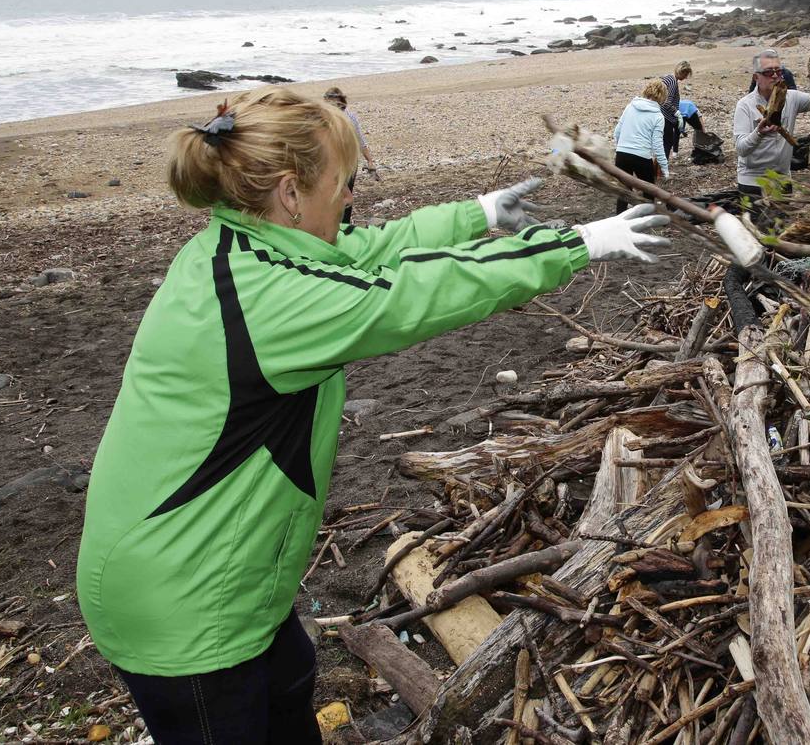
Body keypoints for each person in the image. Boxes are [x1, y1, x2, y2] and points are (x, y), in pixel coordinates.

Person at [75, 87, 670, 745]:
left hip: (223, 577)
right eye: (344, 183)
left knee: (293, 676)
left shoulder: (242, 246)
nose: (353, 197)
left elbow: (369, 248)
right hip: (183, 600)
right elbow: (407, 293)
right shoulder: (267, 298)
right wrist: (577, 242)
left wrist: (479, 212)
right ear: (291, 192)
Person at [733, 49, 810, 197]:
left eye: (778, 71)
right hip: (753, 181)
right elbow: (741, 149)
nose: (775, 76)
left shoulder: (791, 98)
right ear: (756, 77)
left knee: (784, 219)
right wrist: (758, 133)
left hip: (782, 178)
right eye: (768, 72)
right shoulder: (745, 105)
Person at [613, 79, 671, 213]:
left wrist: (622, 147)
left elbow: (617, 132)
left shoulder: (630, 106)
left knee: (624, 191)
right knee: (649, 190)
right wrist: (664, 167)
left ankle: (619, 219)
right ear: (662, 96)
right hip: (641, 157)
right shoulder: (658, 116)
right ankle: (648, 216)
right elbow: (657, 145)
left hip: (622, 154)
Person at [323, 87, 379, 224]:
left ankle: (344, 226)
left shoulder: (350, 117)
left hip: (349, 163)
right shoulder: (322, 117)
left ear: (341, 102)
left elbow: (360, 141)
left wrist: (370, 160)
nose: (333, 106)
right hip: (330, 162)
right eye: (329, 102)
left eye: (335, 102)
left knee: (346, 195)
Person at [658, 60, 692, 158]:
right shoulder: (673, 82)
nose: (686, 77)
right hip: (666, 116)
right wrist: (676, 112)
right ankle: (662, 166)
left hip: (660, 114)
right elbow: (666, 102)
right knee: (667, 142)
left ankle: (660, 165)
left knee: (662, 142)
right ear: (682, 72)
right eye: (686, 74)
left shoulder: (668, 77)